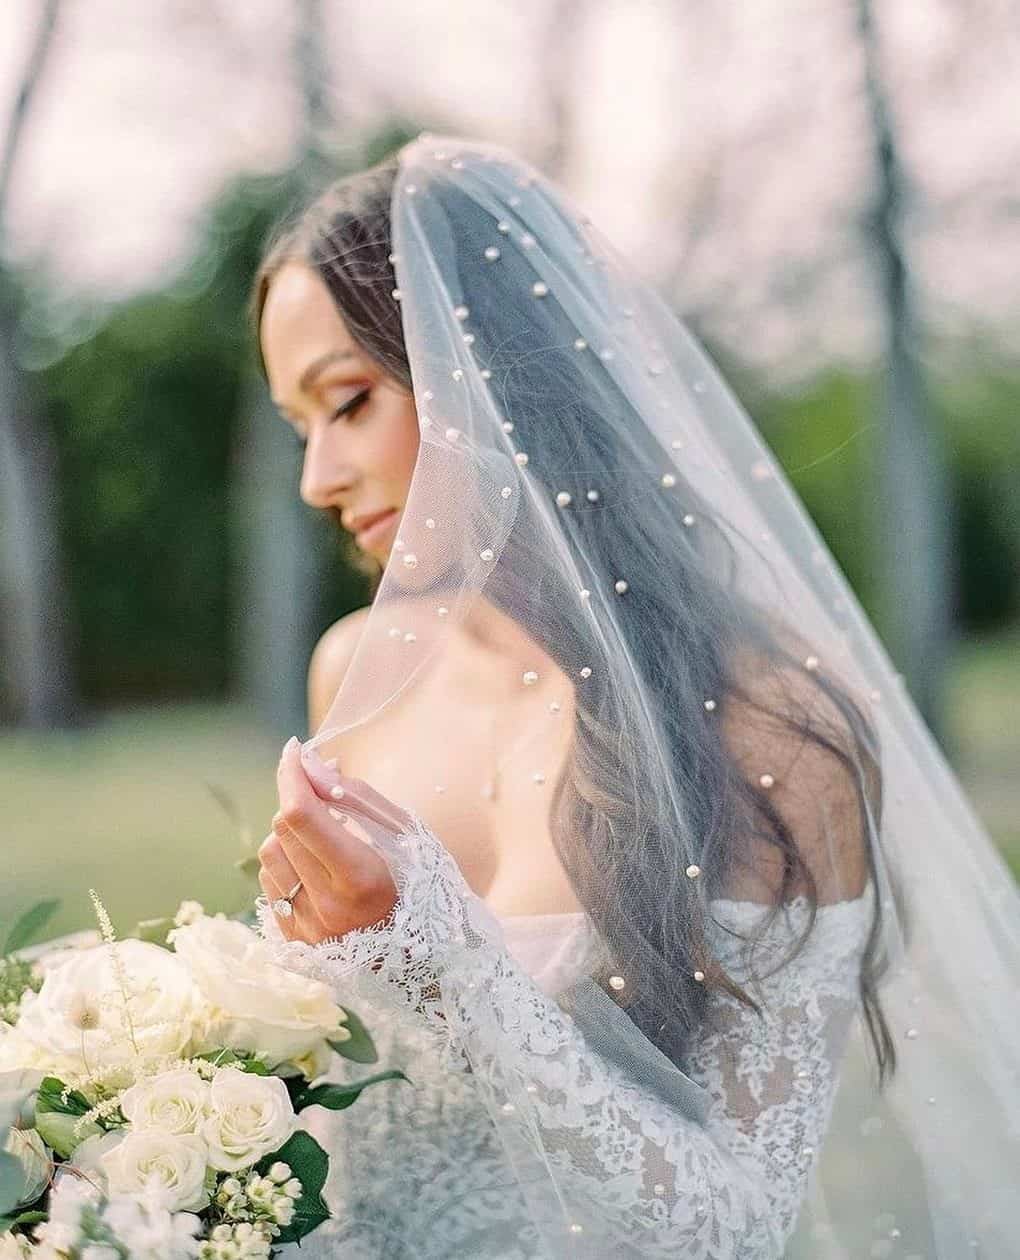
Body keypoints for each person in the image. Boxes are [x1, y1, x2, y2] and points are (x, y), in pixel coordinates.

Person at [250, 134, 1020, 1258]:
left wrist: (446, 963)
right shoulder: (350, 672)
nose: (319, 475)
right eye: (299, 425)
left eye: (351, 399)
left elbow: (736, 1225)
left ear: (491, 376)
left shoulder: (772, 729)